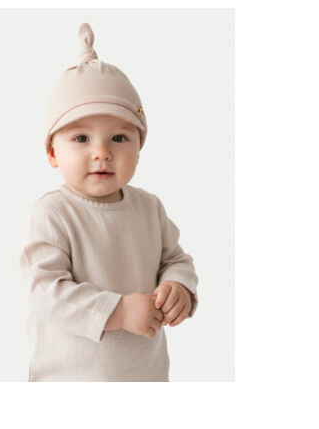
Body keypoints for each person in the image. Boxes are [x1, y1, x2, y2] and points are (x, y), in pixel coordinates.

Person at [17, 22, 199, 382]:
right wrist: (118, 311)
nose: (101, 152)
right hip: (70, 379)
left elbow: (176, 260)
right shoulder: (53, 213)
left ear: (139, 149)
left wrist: (179, 287)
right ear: (52, 152)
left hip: (145, 375)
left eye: (119, 138)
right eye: (81, 138)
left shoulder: (149, 208)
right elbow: (44, 289)